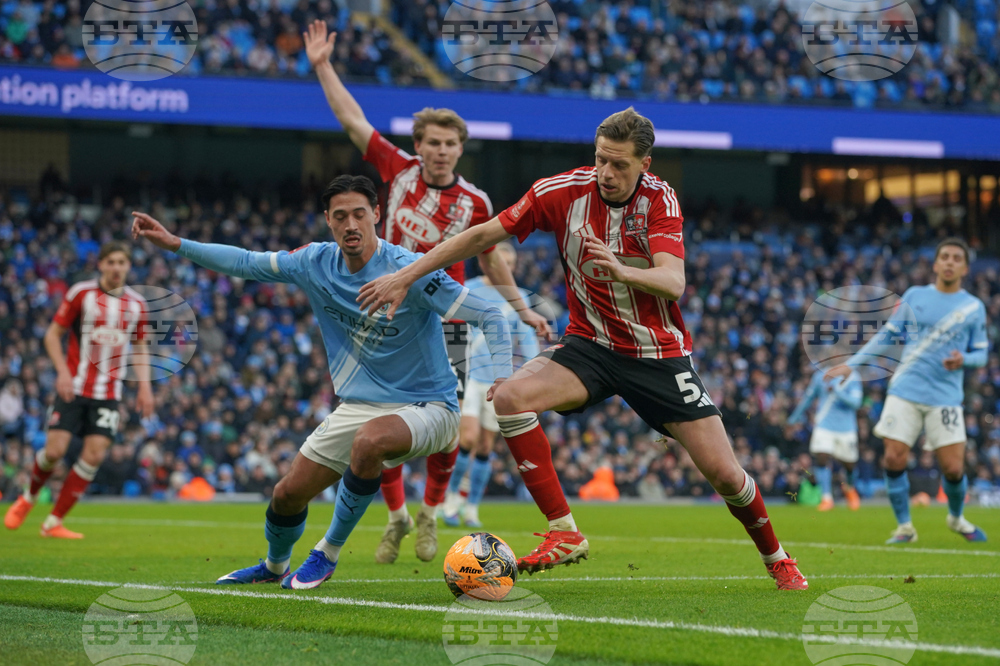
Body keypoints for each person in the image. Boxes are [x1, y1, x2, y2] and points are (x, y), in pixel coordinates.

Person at [356, 107, 808, 590]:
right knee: (509, 397)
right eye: (601, 161)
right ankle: (563, 532)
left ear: (645, 165)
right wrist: (406, 274)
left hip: (656, 355)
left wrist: (622, 270)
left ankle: (778, 558)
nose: (607, 174)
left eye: (620, 165)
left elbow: (673, 281)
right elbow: (485, 236)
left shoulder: (660, 201)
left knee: (724, 474)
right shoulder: (561, 192)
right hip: (589, 345)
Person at [131, 175, 512, 589]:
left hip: (431, 407)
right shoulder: (314, 262)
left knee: (369, 443)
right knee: (286, 495)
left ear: (377, 216)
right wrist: (176, 244)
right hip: (361, 406)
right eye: (341, 216)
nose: (352, 225)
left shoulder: (410, 270)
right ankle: (274, 566)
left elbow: (489, 315)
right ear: (328, 221)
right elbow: (244, 262)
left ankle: (326, 553)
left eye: (360, 215)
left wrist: (503, 377)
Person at [303, 19, 549, 564]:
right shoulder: (397, 171)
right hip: (385, 313)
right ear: (418, 145)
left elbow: (490, 260)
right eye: (432, 143)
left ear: (461, 149)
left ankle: (429, 516)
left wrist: (522, 311)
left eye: (450, 144)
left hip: (448, 322)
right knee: (378, 423)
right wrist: (322, 65)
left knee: (445, 431)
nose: (440, 151)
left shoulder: (478, 202)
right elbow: (351, 119)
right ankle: (394, 519)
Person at [826, 237, 989, 544]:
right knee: (893, 459)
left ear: (965, 268)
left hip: (945, 397)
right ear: (936, 263)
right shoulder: (915, 295)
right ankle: (904, 527)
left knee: (953, 468)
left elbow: (981, 353)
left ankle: (956, 517)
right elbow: (887, 336)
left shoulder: (973, 308)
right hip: (905, 389)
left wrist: (964, 359)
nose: (950, 262)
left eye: (957, 258)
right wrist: (853, 364)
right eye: (945, 257)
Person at [4, 241, 155, 538]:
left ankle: (53, 522)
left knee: (94, 456)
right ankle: (28, 497)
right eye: (110, 261)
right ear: (100, 264)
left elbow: (139, 347)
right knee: (54, 452)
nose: (116, 268)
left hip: (108, 393)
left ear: (128, 266)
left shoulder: (137, 305)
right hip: (73, 387)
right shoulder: (81, 294)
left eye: (121, 262)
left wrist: (145, 386)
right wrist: (61, 371)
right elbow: (52, 335)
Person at [441, 242, 541, 528]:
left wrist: (530, 377)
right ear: (489, 264)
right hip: (469, 375)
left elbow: (528, 341)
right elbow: (453, 328)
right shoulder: (469, 288)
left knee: (485, 446)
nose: (506, 269)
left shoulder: (519, 298)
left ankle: (471, 506)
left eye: (511, 265)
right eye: (502, 263)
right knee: (468, 438)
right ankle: (451, 499)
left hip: (499, 379)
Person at [787, 368, 864, 511]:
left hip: (846, 428)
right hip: (824, 424)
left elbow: (856, 403)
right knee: (821, 457)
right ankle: (826, 497)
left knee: (849, 465)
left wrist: (836, 390)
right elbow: (808, 398)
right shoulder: (819, 376)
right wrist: (793, 419)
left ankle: (850, 488)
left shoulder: (852, 376)